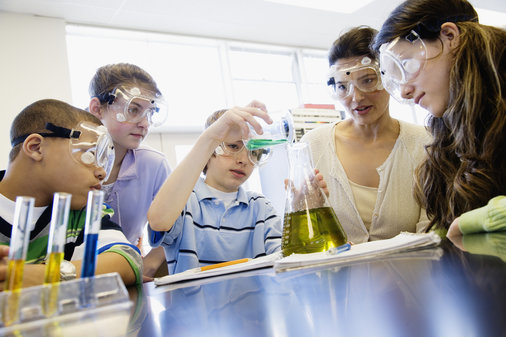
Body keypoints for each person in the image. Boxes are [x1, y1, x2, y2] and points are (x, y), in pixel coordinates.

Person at [372, 0, 506, 237]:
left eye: (406, 64)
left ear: (449, 35)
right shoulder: (451, 132)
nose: (403, 91)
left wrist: (475, 223)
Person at [301, 26, 431, 244]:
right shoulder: (313, 145)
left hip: (412, 274)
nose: (356, 97)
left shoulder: (425, 143)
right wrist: (299, 209)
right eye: (343, 86)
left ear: (389, 77)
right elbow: (307, 236)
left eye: (368, 80)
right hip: (339, 276)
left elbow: (434, 227)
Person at [0, 99, 142, 289]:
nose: (101, 172)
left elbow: (128, 261)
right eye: (90, 154)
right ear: (35, 147)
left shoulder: (82, 211)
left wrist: (49, 275)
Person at [147, 104, 282, 274]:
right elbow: (158, 221)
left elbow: (285, 260)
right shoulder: (185, 201)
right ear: (210, 150)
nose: (243, 159)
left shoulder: (261, 208)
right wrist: (210, 137)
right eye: (233, 146)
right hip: (195, 300)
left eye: (253, 152)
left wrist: (303, 208)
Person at [87, 63, 171, 278]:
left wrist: (147, 265)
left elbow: (177, 228)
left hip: (129, 273)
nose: (144, 124)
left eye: (150, 113)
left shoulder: (153, 164)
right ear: (97, 109)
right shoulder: (70, 161)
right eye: (133, 110)